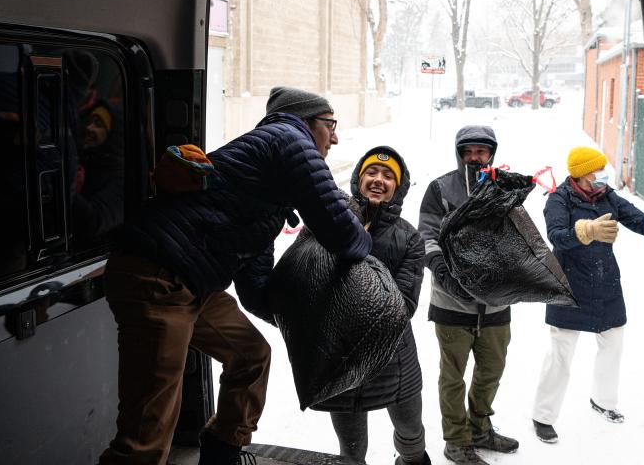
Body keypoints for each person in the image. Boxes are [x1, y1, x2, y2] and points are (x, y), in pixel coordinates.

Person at [99, 86, 371, 465]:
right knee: (148, 427)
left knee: (250, 355)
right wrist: (367, 245)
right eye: (331, 125)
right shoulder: (289, 140)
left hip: (193, 284)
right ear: (307, 121)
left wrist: (303, 322)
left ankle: (221, 452)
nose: (336, 136)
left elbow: (255, 284)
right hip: (158, 277)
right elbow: (339, 229)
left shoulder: (266, 185)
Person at [531, 146, 644, 444]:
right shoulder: (558, 199)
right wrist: (585, 231)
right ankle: (543, 416)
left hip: (605, 283)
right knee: (561, 353)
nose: (603, 175)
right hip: (570, 285)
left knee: (613, 341)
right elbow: (556, 236)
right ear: (581, 174)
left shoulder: (605, 195)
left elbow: (629, 214)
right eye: (597, 170)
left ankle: (603, 400)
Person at [311, 146, 431, 465]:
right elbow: (310, 282)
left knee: (411, 435)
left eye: (388, 175)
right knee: (350, 448)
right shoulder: (330, 224)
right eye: (371, 173)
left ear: (399, 186)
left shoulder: (410, 239)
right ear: (358, 180)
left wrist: (356, 259)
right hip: (342, 358)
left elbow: (403, 305)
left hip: (396, 358)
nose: (379, 180)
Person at [418, 126, 519, 465]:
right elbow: (427, 234)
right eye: (469, 151)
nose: (475, 157)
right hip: (452, 303)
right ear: (459, 152)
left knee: (492, 370)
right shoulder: (440, 188)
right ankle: (456, 440)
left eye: (482, 151)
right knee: (452, 377)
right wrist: (441, 270)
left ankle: (480, 428)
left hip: (495, 305)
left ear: (492, 153)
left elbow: (520, 237)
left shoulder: (503, 188)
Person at [72, 99, 125, 244]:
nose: (89, 128)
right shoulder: (82, 158)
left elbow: (93, 222)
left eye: (99, 124)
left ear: (113, 135)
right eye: (90, 122)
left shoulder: (121, 180)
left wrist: (69, 190)